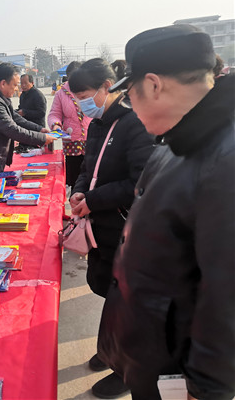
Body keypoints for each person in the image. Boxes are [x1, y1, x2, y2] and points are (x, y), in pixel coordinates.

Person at [97, 24, 234, 400]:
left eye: (130, 97)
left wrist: (207, 387)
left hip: (181, 366)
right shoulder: (178, 136)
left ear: (154, 85)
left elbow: (227, 292)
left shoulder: (225, 157)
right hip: (153, 344)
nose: (131, 109)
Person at [68, 58, 155, 398]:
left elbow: (140, 182)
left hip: (124, 227)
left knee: (128, 304)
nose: (81, 104)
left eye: (84, 96)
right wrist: (79, 191)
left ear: (108, 86)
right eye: (76, 98)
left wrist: (93, 199)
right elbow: (87, 168)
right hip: (100, 226)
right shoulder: (97, 124)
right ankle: (110, 350)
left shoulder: (135, 122)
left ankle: (126, 370)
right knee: (106, 291)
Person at [0, 63, 56, 180]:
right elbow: (13, 130)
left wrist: (39, 129)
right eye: (15, 85)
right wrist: (42, 138)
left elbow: (15, 117)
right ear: (3, 83)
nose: (17, 88)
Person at [47, 61, 92, 188]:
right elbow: (54, 113)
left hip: (91, 139)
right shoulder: (61, 94)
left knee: (91, 176)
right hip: (72, 142)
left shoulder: (91, 89)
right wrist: (56, 125)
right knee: (75, 179)